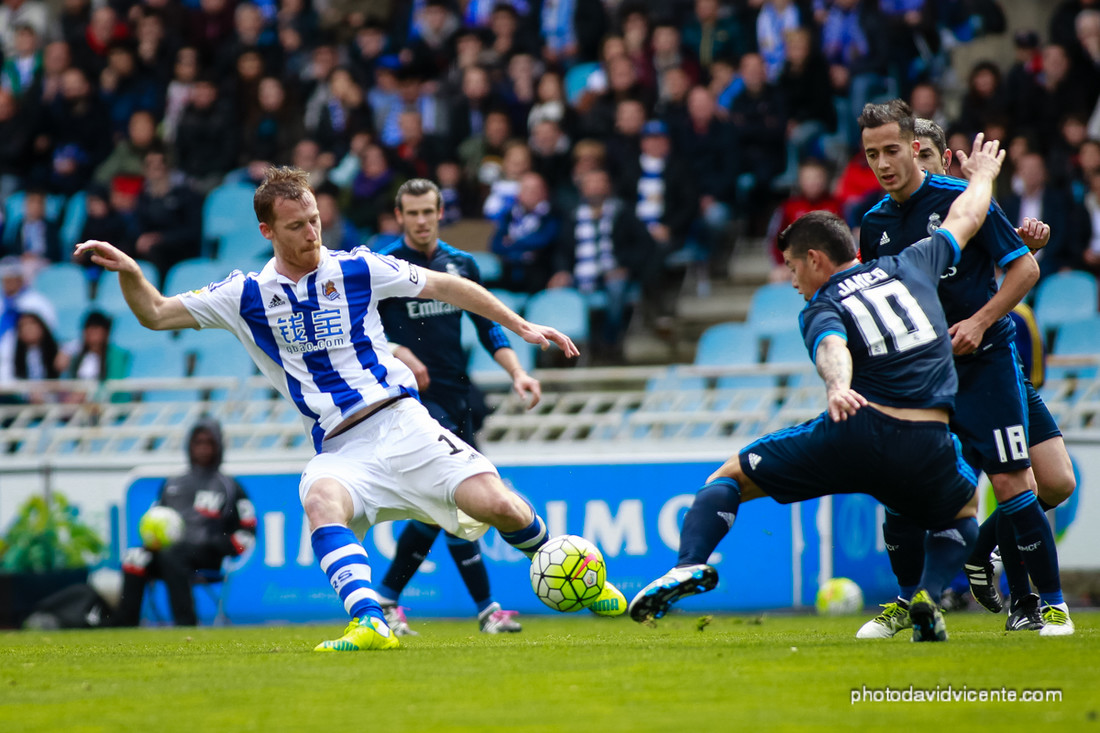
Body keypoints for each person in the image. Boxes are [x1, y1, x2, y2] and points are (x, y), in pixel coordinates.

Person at [76, 167, 625, 651]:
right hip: (341, 447)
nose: (312, 233)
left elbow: (448, 286)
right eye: (297, 226)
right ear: (267, 231)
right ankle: (370, 621)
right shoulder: (244, 294)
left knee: (500, 505)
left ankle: (584, 580)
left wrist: (521, 325)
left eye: (315, 220)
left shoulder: (357, 267)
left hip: (403, 423)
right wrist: (131, 272)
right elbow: (155, 313)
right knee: (320, 500)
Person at [628, 133, 1006, 643]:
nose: (792, 281)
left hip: (859, 427)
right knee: (961, 515)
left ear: (815, 259)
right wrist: (982, 177)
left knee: (730, 477)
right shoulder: (912, 263)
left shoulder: (822, 304)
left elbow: (833, 346)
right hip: (928, 440)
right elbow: (967, 216)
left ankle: (688, 564)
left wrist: (838, 387)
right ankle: (929, 594)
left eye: (791, 267)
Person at [856, 102, 1073, 637]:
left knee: (1014, 481)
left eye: (891, 150)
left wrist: (979, 321)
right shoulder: (874, 223)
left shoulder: (964, 199)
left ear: (916, 149)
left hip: (985, 365)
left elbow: (1025, 269)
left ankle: (1051, 608)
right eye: (871, 154)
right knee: (904, 491)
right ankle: (907, 603)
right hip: (923, 377)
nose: (882, 163)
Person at [373, 177, 543, 635]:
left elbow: (488, 326)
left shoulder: (461, 264)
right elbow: (360, 334)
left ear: (440, 212)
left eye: (428, 211)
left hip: (457, 396)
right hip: (412, 402)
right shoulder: (384, 268)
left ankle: (386, 598)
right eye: (412, 213)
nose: (421, 220)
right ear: (399, 216)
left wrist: (517, 372)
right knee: (456, 499)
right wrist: (399, 352)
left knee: (439, 510)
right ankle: (487, 610)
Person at [113, 418, 256, 627]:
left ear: (218, 446)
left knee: (174, 554)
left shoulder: (231, 486)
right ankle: (125, 626)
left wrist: (221, 545)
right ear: (189, 446)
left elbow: (248, 533)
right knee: (135, 556)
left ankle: (186, 624)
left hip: (207, 556)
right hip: (168, 553)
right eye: (198, 442)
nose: (203, 448)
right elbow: (157, 518)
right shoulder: (172, 483)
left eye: (209, 443)